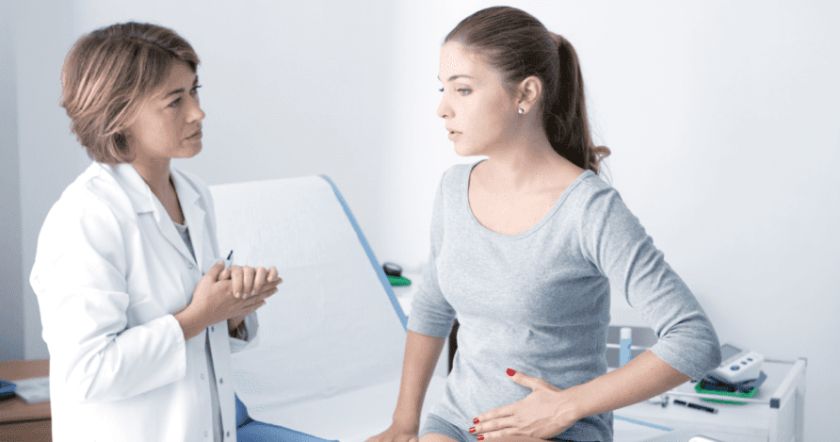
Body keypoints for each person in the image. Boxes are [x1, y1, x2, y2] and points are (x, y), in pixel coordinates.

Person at [369, 6, 721, 442]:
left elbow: (694, 339)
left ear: (526, 94)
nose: (443, 108)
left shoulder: (588, 209)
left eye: (463, 90)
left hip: (556, 433)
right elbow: (432, 306)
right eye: (444, 89)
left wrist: (565, 406)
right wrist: (404, 424)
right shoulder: (453, 189)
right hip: (458, 424)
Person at [29, 22, 280, 442]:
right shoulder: (85, 217)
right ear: (119, 114)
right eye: (175, 101)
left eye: (195, 91)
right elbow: (87, 373)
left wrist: (231, 312)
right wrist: (198, 317)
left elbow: (199, 343)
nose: (197, 112)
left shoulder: (194, 195)